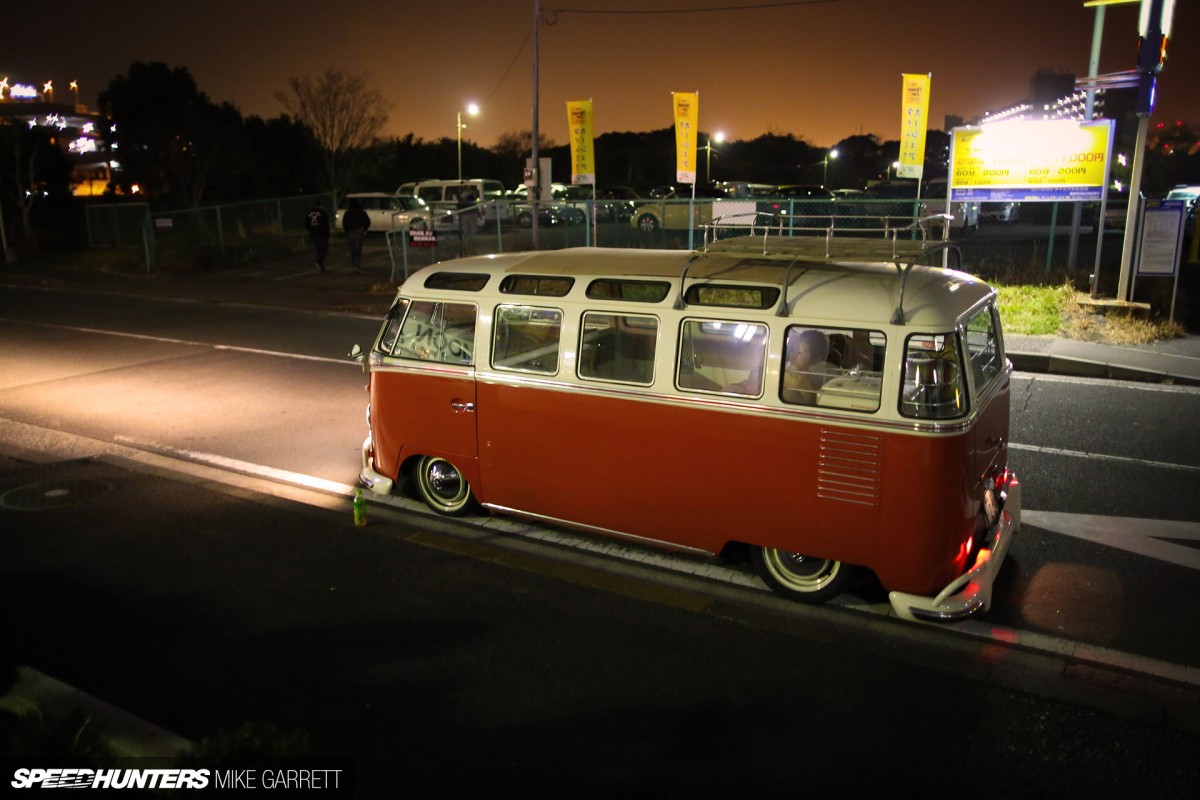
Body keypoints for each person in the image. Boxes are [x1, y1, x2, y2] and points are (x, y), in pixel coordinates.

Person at [781, 328, 831, 405]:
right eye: (793, 350)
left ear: (816, 359)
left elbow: (814, 398)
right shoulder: (787, 367)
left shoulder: (824, 374)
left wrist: (799, 377)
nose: (792, 355)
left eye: (799, 353)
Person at [341, 198, 371, 272]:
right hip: (359, 231)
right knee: (358, 248)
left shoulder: (348, 213)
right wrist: (364, 228)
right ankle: (357, 263)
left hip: (350, 232)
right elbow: (367, 221)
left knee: (352, 248)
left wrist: (346, 231)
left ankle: (354, 262)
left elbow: (344, 223)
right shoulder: (361, 212)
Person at [304, 201, 330, 273]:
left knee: (318, 249)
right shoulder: (323, 213)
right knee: (324, 249)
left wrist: (311, 229)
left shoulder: (309, 213)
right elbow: (326, 224)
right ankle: (319, 262)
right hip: (321, 233)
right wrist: (327, 234)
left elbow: (306, 225)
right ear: (320, 206)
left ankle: (321, 266)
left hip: (313, 233)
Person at [456, 186, 481, 256]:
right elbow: (474, 205)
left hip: (463, 215)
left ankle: (465, 245)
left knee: (465, 231)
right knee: (472, 230)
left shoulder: (461, 197)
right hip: (471, 214)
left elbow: (458, 207)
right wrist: (479, 214)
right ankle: (470, 246)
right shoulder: (471, 195)